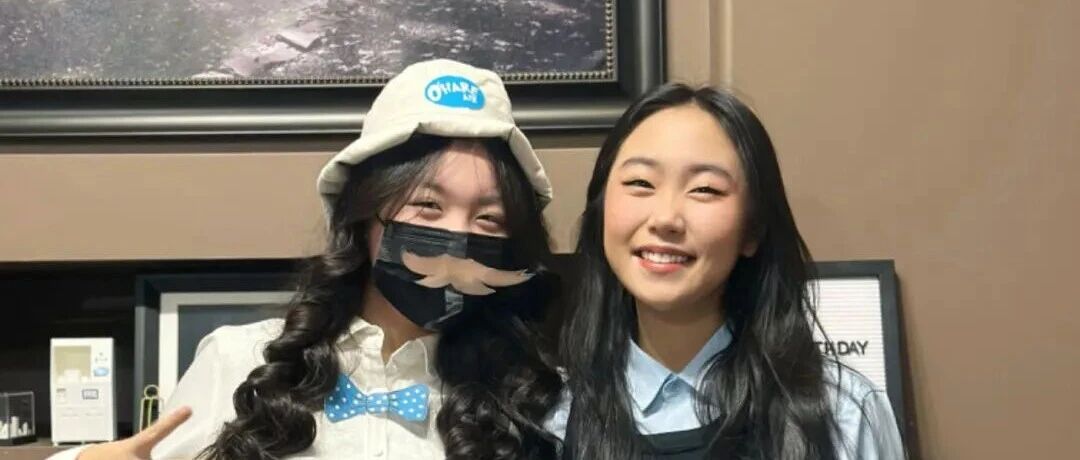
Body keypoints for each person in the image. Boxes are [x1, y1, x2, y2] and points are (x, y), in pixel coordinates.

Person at [56, 59, 564, 460]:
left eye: (488, 219)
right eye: (427, 206)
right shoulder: (241, 361)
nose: (456, 236)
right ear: (364, 214)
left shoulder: (533, 399)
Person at [548, 83, 905, 459]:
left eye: (704, 189)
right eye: (640, 183)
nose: (666, 218)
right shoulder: (551, 421)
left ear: (752, 230)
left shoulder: (841, 415)